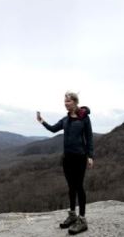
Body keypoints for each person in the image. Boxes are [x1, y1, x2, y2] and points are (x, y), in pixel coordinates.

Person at [36, 91, 94, 235]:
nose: (65, 103)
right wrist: (42, 121)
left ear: (75, 102)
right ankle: (72, 215)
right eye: (64, 101)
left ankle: (82, 219)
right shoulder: (65, 120)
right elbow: (53, 129)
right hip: (67, 158)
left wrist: (90, 156)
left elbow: (89, 137)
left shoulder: (84, 119)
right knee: (71, 187)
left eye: (68, 101)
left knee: (79, 186)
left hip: (80, 157)